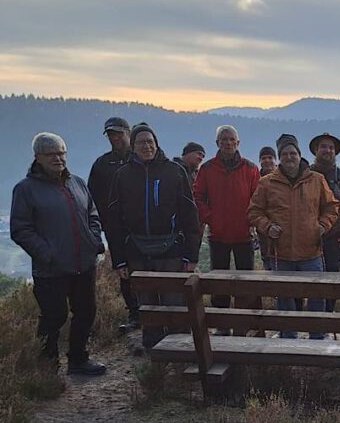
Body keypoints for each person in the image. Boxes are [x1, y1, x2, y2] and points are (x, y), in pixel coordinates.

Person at [11, 132, 106, 375]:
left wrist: (94, 240)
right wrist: (47, 254)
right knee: (54, 317)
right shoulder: (25, 189)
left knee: (86, 312)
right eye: (51, 154)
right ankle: (48, 368)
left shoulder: (77, 182)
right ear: (37, 157)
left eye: (61, 153)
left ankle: (78, 360)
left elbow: (92, 214)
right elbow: (21, 229)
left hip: (83, 263)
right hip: (50, 268)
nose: (58, 158)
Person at [107, 123, 201, 349]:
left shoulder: (174, 171)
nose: (146, 146)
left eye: (150, 141)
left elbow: (190, 215)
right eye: (141, 142)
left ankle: (179, 349)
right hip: (136, 250)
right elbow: (113, 221)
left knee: (174, 302)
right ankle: (153, 353)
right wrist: (119, 259)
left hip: (172, 250)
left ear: (157, 143)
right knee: (146, 304)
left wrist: (191, 256)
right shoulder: (122, 175)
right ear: (133, 146)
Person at [248, 133, 339, 339]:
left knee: (317, 295)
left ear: (300, 155)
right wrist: (267, 226)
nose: (289, 157)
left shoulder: (316, 179)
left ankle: (318, 336)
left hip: (311, 251)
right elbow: (254, 212)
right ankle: (288, 336)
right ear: (280, 157)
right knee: (285, 297)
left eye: (293, 153)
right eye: (285, 154)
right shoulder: (266, 183)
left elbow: (332, 206)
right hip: (281, 253)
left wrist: (322, 226)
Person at [193, 125, 260, 309]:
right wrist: (210, 218)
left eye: (232, 140)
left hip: (244, 235)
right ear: (217, 143)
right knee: (219, 282)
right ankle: (221, 323)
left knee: (246, 282)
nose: (228, 143)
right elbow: (197, 197)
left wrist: (250, 220)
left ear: (238, 143)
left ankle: (247, 321)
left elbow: (259, 199)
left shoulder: (251, 168)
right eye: (224, 139)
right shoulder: (207, 169)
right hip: (218, 235)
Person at [88, 117, 139, 333]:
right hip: (115, 229)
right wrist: (100, 227)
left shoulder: (142, 158)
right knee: (124, 270)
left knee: (149, 270)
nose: (115, 138)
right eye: (110, 134)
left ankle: (155, 313)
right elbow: (91, 200)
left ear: (129, 132)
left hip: (144, 228)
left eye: (118, 133)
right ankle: (135, 314)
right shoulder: (101, 164)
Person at [309, 133, 340, 312]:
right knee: (306, 280)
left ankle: (327, 319)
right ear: (316, 150)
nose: (327, 150)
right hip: (308, 237)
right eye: (323, 146)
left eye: (331, 148)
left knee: (331, 280)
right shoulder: (306, 175)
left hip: (335, 239)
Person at [258, 146, 278, 270]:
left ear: (275, 160)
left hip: (281, 225)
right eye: (263, 158)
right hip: (263, 228)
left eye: (270, 157)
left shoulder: (283, 176)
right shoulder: (255, 178)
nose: (267, 161)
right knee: (267, 258)